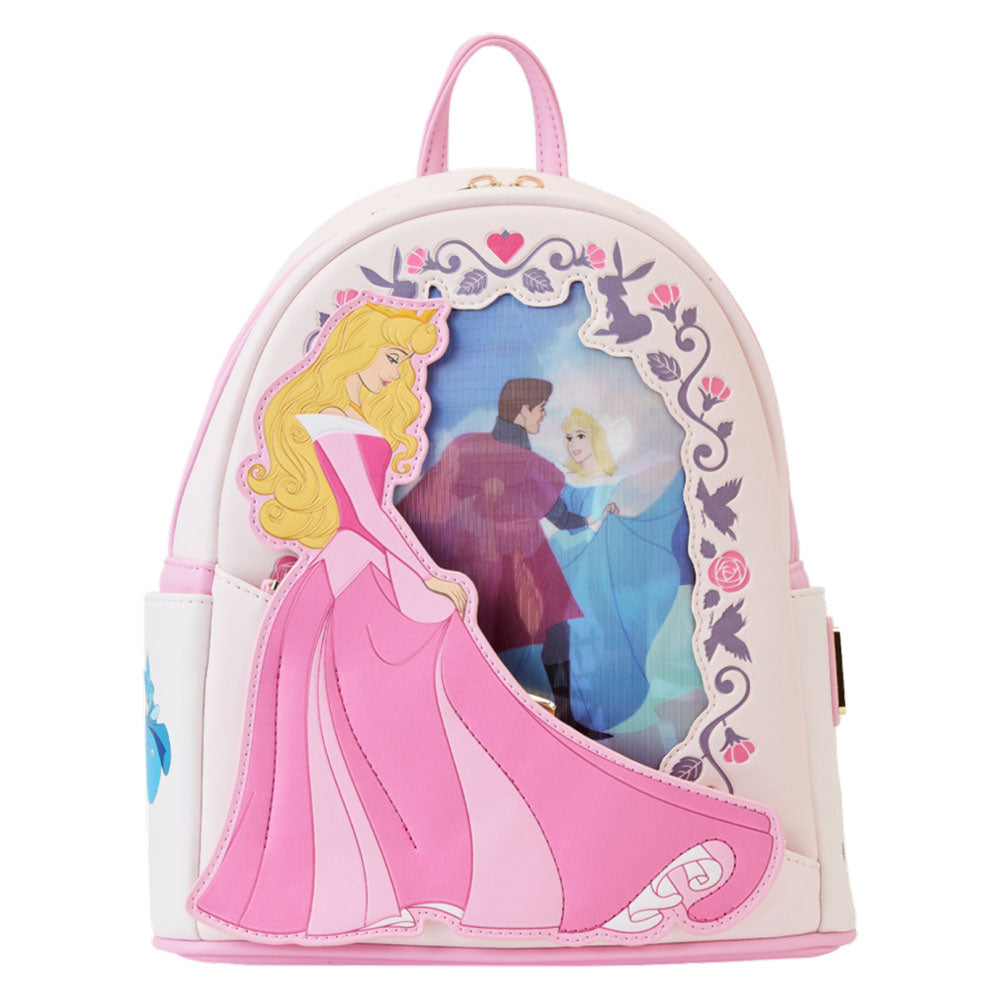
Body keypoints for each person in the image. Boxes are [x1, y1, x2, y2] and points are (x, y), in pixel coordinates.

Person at [187, 299, 780, 945]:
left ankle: (394, 883)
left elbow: (397, 511)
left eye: (406, 360)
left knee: (377, 737)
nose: (398, 371)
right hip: (360, 584)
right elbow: (368, 515)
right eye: (393, 355)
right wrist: (425, 575)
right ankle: (546, 863)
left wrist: (426, 572)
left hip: (363, 579)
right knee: (420, 727)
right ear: (356, 347)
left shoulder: (398, 428)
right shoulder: (337, 420)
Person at [398, 378, 610, 739]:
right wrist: (588, 522)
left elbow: (421, 504)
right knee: (539, 630)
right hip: (502, 558)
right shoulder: (513, 458)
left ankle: (554, 720)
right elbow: (559, 517)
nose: (542, 415)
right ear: (523, 410)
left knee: (521, 630)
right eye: (540, 408)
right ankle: (556, 720)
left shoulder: (469, 447)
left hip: (499, 555)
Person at [548, 409, 707, 768]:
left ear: (595, 437)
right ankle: (574, 720)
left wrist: (615, 520)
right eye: (569, 438)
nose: (574, 445)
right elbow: (561, 522)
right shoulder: (564, 483)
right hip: (571, 568)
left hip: (602, 574)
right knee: (571, 641)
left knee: (602, 637)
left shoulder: (614, 481)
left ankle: (601, 721)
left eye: (581, 436)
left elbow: (625, 521)